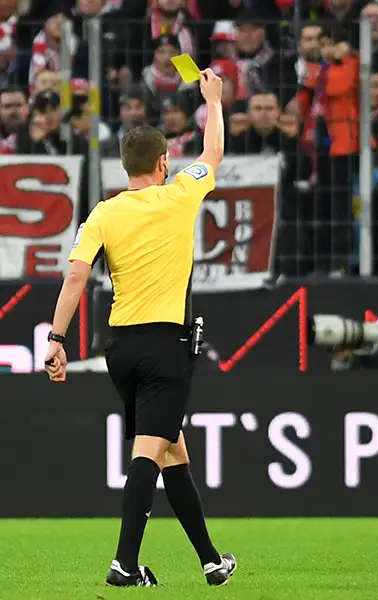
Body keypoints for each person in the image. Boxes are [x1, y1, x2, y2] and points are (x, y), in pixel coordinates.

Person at [43, 67, 236, 588]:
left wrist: (57, 339)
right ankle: (124, 564)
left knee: (173, 449)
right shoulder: (178, 195)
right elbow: (214, 154)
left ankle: (211, 560)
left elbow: (77, 276)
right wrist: (212, 99)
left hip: (121, 351)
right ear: (164, 162)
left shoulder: (103, 213)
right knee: (149, 453)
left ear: (124, 167)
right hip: (165, 348)